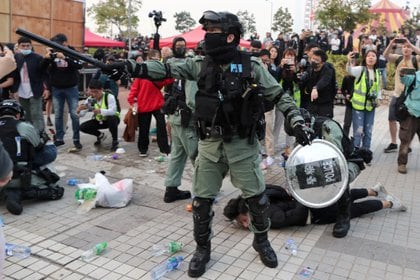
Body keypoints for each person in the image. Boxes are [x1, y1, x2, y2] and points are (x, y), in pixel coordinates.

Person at [106, 11, 312, 277]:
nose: (207, 37)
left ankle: (261, 241)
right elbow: (168, 67)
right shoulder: (200, 64)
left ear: (230, 36)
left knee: (257, 201)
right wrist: (131, 68)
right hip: (210, 145)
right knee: (202, 202)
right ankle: (202, 249)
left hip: (242, 146)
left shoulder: (252, 66)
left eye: (213, 32)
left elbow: (279, 95)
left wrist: (295, 118)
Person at [285, 108, 373, 238]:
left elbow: (334, 162)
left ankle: (344, 216)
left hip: (347, 162)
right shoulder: (304, 132)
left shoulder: (328, 128)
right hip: (324, 165)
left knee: (337, 179)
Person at [224, 183, 406, 229]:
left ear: (244, 211)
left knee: (352, 210)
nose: (246, 225)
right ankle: (374, 190)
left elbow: (294, 217)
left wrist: (304, 199)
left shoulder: (266, 217)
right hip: (309, 200)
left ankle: (389, 203)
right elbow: (278, 190)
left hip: (313, 212)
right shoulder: (258, 195)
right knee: (342, 195)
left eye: (243, 221)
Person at [0, 99, 63, 215]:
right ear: (18, 115)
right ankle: (18, 193)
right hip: (18, 176)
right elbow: (38, 145)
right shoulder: (22, 126)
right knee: (49, 149)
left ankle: (8, 192)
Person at [162, 37, 198, 203]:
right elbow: (191, 100)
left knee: (177, 154)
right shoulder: (190, 69)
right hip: (185, 119)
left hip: (175, 116)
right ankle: (202, 194)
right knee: (197, 157)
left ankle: (171, 189)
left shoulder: (176, 67)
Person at [42, 33, 83, 152]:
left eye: (58, 44)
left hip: (71, 87)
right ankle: (59, 138)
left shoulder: (72, 52)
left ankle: (76, 139)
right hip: (57, 88)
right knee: (58, 114)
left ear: (65, 43)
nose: (56, 47)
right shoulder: (53, 53)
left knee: (75, 114)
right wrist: (47, 57)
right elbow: (45, 71)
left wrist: (65, 57)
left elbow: (79, 66)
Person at [127, 49, 172, 157]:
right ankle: (160, 148)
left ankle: (158, 149)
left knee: (155, 127)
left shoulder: (143, 72)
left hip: (150, 104)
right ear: (149, 59)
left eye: (158, 60)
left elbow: (133, 91)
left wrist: (133, 102)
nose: (156, 62)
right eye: (155, 59)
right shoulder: (149, 72)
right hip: (151, 104)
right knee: (146, 128)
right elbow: (167, 80)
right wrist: (133, 104)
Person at [382, 37, 420, 153]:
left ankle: (407, 144)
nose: (406, 49)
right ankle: (394, 143)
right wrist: (391, 43)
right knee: (391, 118)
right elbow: (385, 55)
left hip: (411, 97)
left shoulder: (415, 59)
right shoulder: (398, 59)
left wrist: (410, 43)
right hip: (397, 94)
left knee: (409, 122)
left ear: (412, 50)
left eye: (408, 47)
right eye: (404, 47)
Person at [11, 37, 48, 132]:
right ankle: (29, 133)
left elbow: (44, 73)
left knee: (36, 113)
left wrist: (47, 88)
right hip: (21, 90)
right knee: (26, 113)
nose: (26, 48)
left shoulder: (37, 57)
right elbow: (15, 75)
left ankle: (39, 133)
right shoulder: (17, 57)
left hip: (35, 89)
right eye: (23, 46)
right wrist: (14, 90)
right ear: (18, 46)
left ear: (31, 46)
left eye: (28, 46)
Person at [346, 50, 380, 150]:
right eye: (368, 56)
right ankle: (356, 153)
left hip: (370, 107)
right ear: (365, 59)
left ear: (376, 59)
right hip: (358, 107)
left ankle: (366, 152)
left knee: (368, 131)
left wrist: (378, 99)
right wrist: (349, 60)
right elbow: (349, 70)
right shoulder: (361, 69)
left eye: (373, 56)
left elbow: (378, 88)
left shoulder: (377, 72)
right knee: (358, 132)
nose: (370, 58)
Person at [77, 79, 120, 151]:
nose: (94, 94)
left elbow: (113, 111)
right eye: (91, 92)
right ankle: (100, 135)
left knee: (112, 118)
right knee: (82, 127)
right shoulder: (90, 99)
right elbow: (82, 114)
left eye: (96, 92)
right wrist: (78, 110)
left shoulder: (109, 97)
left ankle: (115, 141)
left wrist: (100, 111)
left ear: (101, 90)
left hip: (111, 120)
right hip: (99, 120)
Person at [300, 49, 336, 118]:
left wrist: (316, 88)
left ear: (322, 63)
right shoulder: (310, 69)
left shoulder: (328, 69)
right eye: (313, 58)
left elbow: (324, 80)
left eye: (316, 60)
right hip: (312, 103)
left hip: (325, 105)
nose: (313, 61)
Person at [396, 68, 420, 174]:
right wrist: (402, 75)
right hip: (411, 113)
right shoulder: (416, 76)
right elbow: (406, 79)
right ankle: (402, 164)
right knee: (405, 140)